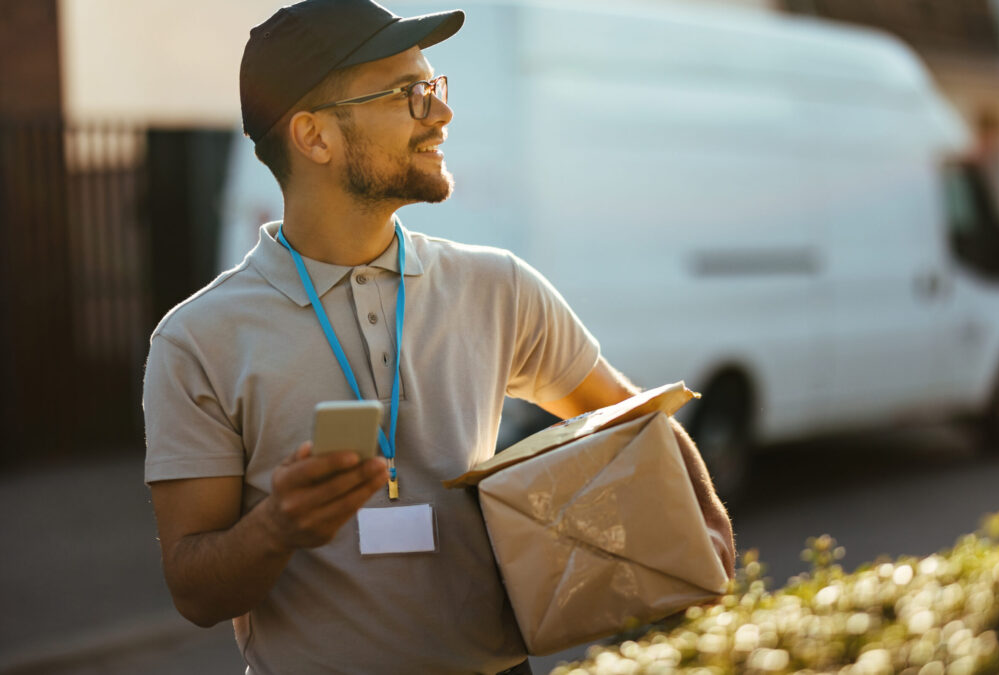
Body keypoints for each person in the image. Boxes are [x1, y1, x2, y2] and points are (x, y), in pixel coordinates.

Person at [142, 1, 735, 673]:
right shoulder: (196, 341)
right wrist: (278, 524)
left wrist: (702, 519)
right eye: (408, 94)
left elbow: (627, 419)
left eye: (434, 87)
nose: (441, 113)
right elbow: (194, 588)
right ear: (315, 137)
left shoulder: (498, 287)